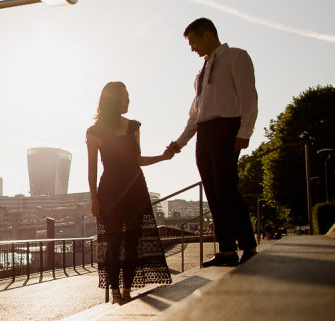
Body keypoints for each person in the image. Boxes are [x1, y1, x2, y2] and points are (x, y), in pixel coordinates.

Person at [167, 18, 258, 267]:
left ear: (207, 35)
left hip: (227, 128)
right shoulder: (200, 73)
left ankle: (248, 245)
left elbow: (249, 98)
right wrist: (179, 143)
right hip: (204, 134)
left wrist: (245, 131)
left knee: (226, 188)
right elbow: (195, 115)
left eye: (193, 41)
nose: (192, 48)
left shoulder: (236, 57)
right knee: (213, 192)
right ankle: (227, 250)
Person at [87, 81, 173, 305]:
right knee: (113, 242)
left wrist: (163, 157)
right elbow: (92, 169)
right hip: (110, 191)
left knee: (133, 241)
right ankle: (116, 290)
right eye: (125, 96)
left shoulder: (133, 126)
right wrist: (94, 198)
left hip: (135, 189)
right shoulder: (94, 132)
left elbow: (138, 160)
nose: (129, 100)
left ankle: (127, 289)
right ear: (115, 100)